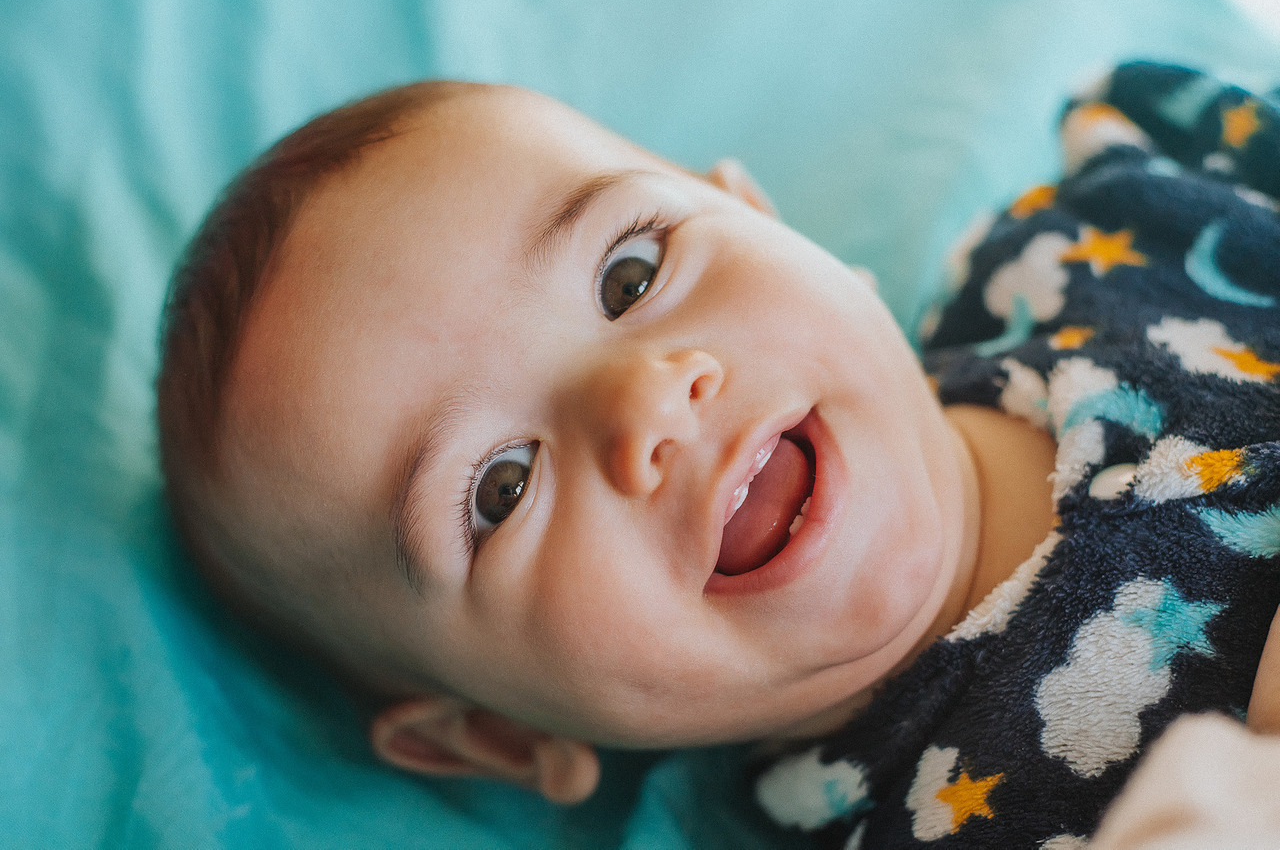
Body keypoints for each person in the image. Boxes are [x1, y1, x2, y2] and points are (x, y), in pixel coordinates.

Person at [156, 61, 1280, 845]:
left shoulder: (1099, 235)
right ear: (500, 733)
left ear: (763, 217)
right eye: (500, 487)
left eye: (630, 275)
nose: (643, 402)